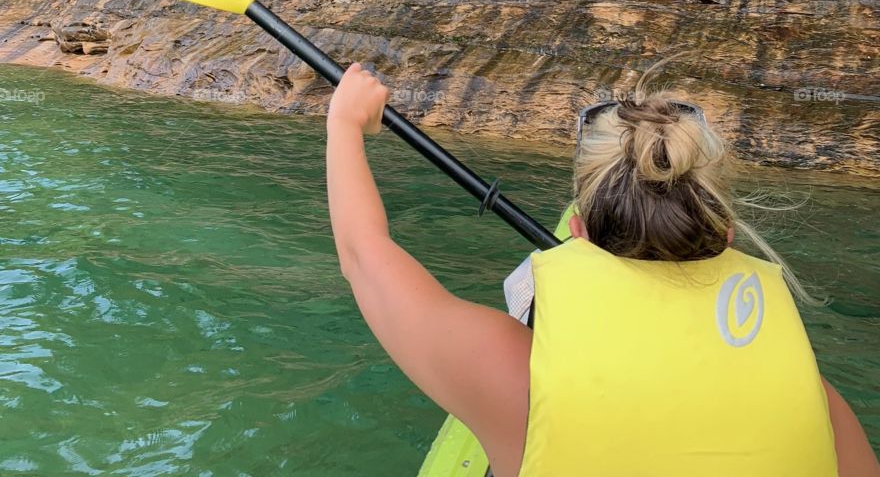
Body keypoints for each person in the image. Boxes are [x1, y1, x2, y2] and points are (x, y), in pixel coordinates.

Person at [325, 61, 880, 477]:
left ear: (580, 234)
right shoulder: (810, 392)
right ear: (726, 237)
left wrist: (345, 124)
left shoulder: (511, 377)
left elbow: (363, 254)